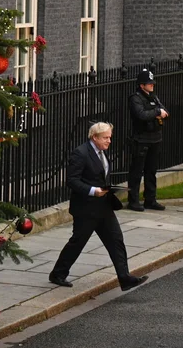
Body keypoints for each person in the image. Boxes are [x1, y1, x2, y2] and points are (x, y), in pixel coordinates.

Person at [49, 122, 148, 290]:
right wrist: (93, 191)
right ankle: (58, 273)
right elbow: (72, 181)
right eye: (105, 138)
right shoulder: (80, 153)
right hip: (86, 208)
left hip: (104, 207)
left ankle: (124, 278)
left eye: (110, 137)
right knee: (78, 242)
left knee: (116, 240)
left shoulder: (102, 153)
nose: (109, 141)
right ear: (94, 137)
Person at [127, 69, 169, 212]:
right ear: (141, 85)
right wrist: (156, 112)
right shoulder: (135, 98)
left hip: (155, 138)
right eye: (149, 83)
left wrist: (158, 112)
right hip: (141, 139)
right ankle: (133, 201)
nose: (152, 86)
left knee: (151, 171)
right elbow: (141, 115)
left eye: (152, 83)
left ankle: (150, 199)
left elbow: (164, 111)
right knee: (137, 171)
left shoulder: (153, 97)